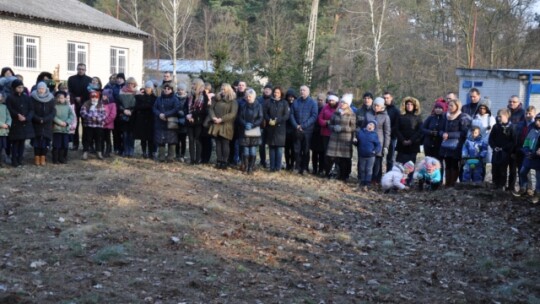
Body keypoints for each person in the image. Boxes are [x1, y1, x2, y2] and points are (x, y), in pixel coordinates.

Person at [439, 99, 471, 187]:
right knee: (447, 164)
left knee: (454, 164)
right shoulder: (446, 116)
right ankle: (447, 183)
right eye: (448, 105)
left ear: (457, 106)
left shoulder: (462, 117)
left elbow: (464, 132)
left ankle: (453, 184)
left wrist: (449, 135)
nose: (449, 107)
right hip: (445, 145)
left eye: (452, 105)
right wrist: (442, 134)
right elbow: (441, 129)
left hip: (456, 145)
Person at [326, 94, 356, 181]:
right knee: (331, 157)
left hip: (345, 139)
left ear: (348, 104)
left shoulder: (352, 114)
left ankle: (344, 175)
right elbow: (330, 124)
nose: (342, 104)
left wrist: (342, 128)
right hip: (334, 138)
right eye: (341, 102)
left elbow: (353, 127)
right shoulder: (336, 112)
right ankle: (331, 173)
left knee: (344, 159)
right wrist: (333, 127)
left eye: (344, 103)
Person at [208, 83, 238, 169]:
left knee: (225, 143)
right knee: (218, 142)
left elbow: (233, 114)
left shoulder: (233, 101)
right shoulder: (216, 99)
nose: (222, 91)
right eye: (221, 89)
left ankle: (224, 162)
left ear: (229, 90)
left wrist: (221, 119)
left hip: (226, 124)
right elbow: (210, 109)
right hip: (216, 123)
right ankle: (219, 160)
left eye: (224, 89)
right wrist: (213, 117)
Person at [289, 85, 318, 175]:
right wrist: (296, 125)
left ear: (308, 92)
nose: (302, 92)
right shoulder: (295, 102)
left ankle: (305, 168)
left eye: (304, 90)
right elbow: (291, 115)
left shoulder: (313, 103)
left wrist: (304, 125)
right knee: (297, 149)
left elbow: (314, 116)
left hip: (307, 130)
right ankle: (297, 167)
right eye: (301, 90)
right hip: (297, 129)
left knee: (305, 150)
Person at [395, 97, 423, 184]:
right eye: (407, 104)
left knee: (410, 164)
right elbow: (396, 129)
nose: (409, 106)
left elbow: (420, 131)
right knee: (400, 163)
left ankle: (409, 180)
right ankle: (399, 180)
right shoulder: (400, 116)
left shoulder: (418, 117)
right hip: (401, 143)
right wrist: (403, 140)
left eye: (411, 104)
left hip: (413, 144)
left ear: (415, 106)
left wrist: (411, 140)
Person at [6, 79, 34, 167]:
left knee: (22, 142)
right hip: (15, 123)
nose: (21, 89)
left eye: (22, 87)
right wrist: (17, 115)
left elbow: (31, 109)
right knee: (15, 143)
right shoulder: (10, 97)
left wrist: (27, 118)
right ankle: (14, 160)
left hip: (25, 123)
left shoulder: (26, 97)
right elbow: (9, 109)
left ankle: (20, 159)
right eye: (19, 87)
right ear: (14, 88)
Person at [514, 113, 540, 203]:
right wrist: (526, 151)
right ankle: (523, 188)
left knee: (538, 177)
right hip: (529, 156)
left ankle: (537, 194)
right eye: (537, 120)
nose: (538, 122)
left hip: (538, 158)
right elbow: (526, 142)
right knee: (522, 172)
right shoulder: (532, 130)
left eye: (539, 121)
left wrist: (536, 154)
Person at [153, 82, 180, 162]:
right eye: (165, 88)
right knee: (160, 140)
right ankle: (161, 156)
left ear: (172, 90)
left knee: (172, 140)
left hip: (171, 121)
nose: (166, 90)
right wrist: (159, 114)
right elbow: (154, 108)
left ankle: (170, 157)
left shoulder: (175, 99)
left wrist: (166, 114)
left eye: (168, 89)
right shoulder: (159, 98)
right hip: (160, 121)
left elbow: (176, 109)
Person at [264, 86, 290, 172]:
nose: (276, 94)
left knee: (279, 148)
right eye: (275, 92)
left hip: (280, 129)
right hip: (270, 128)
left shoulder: (285, 103)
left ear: (281, 93)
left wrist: (277, 121)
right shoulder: (268, 102)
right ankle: (272, 167)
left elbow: (286, 115)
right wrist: (269, 120)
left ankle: (278, 167)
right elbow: (265, 113)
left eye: (278, 92)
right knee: (271, 148)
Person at [488, 108, 515, 190]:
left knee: (502, 170)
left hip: (505, 152)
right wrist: (494, 147)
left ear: (506, 116)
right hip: (496, 151)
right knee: (494, 168)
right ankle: (494, 183)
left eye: (500, 116)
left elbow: (513, 141)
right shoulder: (496, 127)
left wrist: (504, 148)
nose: (499, 118)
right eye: (498, 116)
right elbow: (491, 139)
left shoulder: (511, 127)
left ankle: (501, 185)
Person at [67, 63, 92, 150]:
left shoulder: (89, 80)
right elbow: (70, 91)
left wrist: (82, 98)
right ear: (77, 69)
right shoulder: (71, 79)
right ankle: (75, 144)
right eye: (79, 69)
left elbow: (90, 93)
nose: (81, 70)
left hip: (85, 105)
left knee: (86, 125)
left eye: (82, 69)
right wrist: (75, 97)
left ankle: (86, 144)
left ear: (85, 70)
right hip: (75, 105)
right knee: (75, 124)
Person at [238, 88, 263, 174]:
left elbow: (260, 117)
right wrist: (245, 124)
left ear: (254, 97)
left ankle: (251, 168)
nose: (248, 98)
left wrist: (253, 124)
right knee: (245, 150)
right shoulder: (243, 106)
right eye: (247, 96)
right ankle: (245, 167)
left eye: (250, 96)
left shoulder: (259, 105)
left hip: (254, 130)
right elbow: (240, 117)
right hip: (244, 130)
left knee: (252, 150)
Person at [30, 82, 56, 166]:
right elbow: (31, 111)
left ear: (46, 89)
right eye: (39, 88)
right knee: (36, 143)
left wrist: (45, 119)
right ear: (37, 89)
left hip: (47, 124)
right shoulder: (33, 98)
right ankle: (37, 157)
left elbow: (53, 111)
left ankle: (43, 157)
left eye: (43, 89)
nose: (41, 90)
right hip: (36, 124)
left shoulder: (51, 98)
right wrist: (38, 119)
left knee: (45, 142)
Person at [368, 97, 391, 183]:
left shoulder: (385, 117)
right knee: (369, 161)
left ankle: (377, 179)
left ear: (382, 107)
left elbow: (387, 133)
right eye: (374, 105)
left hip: (379, 143)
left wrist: (386, 146)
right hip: (368, 142)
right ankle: (368, 178)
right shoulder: (368, 114)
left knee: (377, 162)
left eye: (378, 106)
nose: (375, 107)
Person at [186, 78, 208, 165]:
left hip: (198, 121)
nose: (192, 85)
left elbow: (203, 110)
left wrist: (193, 115)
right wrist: (187, 115)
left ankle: (198, 159)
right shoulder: (190, 95)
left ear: (198, 85)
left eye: (194, 84)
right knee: (191, 140)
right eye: (192, 84)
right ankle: (192, 159)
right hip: (189, 121)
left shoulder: (204, 96)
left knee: (197, 140)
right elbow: (186, 107)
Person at [421, 99, 446, 177]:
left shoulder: (445, 119)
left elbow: (445, 130)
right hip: (428, 143)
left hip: (439, 144)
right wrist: (430, 132)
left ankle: (439, 179)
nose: (438, 110)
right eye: (436, 108)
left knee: (438, 162)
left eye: (440, 108)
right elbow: (422, 128)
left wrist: (439, 133)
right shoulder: (430, 118)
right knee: (428, 161)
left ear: (443, 109)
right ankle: (428, 178)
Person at [507, 95, 527, 192]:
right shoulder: (507, 112)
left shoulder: (523, 113)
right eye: (510, 101)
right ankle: (511, 188)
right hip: (509, 144)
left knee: (521, 169)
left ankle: (524, 188)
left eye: (514, 102)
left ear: (519, 103)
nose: (512, 103)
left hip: (519, 145)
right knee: (511, 169)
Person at [80, 91, 106, 160]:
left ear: (98, 98)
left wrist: (97, 118)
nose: (94, 99)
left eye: (96, 97)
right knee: (87, 139)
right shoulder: (86, 104)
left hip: (98, 125)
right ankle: (85, 152)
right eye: (93, 97)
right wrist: (91, 117)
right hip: (89, 125)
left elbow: (103, 115)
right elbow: (83, 113)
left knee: (98, 139)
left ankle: (99, 152)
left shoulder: (101, 105)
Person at [134, 81, 156, 159]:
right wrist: (146, 106)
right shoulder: (140, 96)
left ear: (152, 88)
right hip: (142, 119)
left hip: (151, 119)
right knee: (143, 138)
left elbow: (153, 107)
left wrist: (144, 106)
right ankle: (144, 152)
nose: (147, 89)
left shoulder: (155, 98)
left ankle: (151, 153)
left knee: (150, 138)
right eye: (146, 87)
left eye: (149, 87)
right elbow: (137, 106)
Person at [117, 77, 138, 157]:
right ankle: (126, 151)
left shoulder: (137, 92)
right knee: (125, 134)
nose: (130, 85)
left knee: (131, 135)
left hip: (133, 116)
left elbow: (138, 104)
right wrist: (123, 110)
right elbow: (118, 103)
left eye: (132, 83)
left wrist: (132, 111)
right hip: (123, 115)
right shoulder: (121, 91)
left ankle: (131, 151)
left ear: (134, 84)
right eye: (128, 83)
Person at [318, 94, 339, 176]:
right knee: (326, 153)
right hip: (325, 133)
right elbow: (320, 118)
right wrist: (326, 122)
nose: (331, 102)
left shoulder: (339, 108)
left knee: (333, 154)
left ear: (336, 101)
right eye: (330, 100)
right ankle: (326, 170)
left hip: (335, 134)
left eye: (332, 100)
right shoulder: (325, 107)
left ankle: (334, 170)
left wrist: (332, 124)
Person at [356, 119, 381, 186]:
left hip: (371, 155)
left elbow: (378, 145)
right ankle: (362, 180)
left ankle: (368, 181)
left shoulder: (374, 135)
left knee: (369, 169)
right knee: (362, 168)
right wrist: (355, 141)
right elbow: (357, 142)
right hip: (362, 154)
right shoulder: (361, 132)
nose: (370, 126)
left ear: (374, 128)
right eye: (369, 124)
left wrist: (375, 151)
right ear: (367, 125)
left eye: (372, 126)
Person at [52, 91, 74, 164]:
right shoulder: (54, 106)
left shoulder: (68, 107)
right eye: (59, 98)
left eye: (62, 98)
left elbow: (71, 116)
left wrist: (67, 122)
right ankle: (55, 159)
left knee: (64, 144)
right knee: (56, 144)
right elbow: (53, 116)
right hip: (57, 128)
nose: (60, 99)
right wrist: (59, 122)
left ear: (65, 98)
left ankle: (62, 158)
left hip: (65, 128)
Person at [257, 83, 273, 168]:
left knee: (271, 145)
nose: (267, 90)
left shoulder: (273, 100)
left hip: (270, 125)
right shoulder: (259, 99)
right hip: (261, 125)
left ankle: (272, 162)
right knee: (261, 144)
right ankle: (262, 161)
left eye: (269, 89)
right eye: (265, 89)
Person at [383, 91, 400, 172]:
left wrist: (388, 132)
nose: (386, 100)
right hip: (380, 136)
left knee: (390, 158)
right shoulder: (381, 108)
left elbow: (397, 125)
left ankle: (389, 174)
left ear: (391, 98)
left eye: (387, 98)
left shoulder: (395, 110)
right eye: (384, 98)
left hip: (392, 137)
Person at [311, 93, 326, 175]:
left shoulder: (325, 109)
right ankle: (314, 169)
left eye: (321, 100)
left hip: (322, 133)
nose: (319, 101)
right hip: (314, 133)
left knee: (322, 153)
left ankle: (321, 169)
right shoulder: (314, 107)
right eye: (318, 100)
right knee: (314, 153)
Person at [175, 82, 189, 162]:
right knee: (176, 140)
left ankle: (182, 154)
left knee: (183, 140)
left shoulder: (188, 98)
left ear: (185, 90)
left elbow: (188, 108)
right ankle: (177, 154)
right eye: (179, 90)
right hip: (176, 121)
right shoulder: (175, 97)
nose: (180, 91)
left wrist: (184, 113)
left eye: (182, 90)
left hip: (184, 121)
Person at [101, 89, 117, 158]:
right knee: (101, 138)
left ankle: (108, 151)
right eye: (103, 95)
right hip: (101, 124)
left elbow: (113, 115)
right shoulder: (100, 103)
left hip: (108, 125)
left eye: (105, 95)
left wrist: (106, 121)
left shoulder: (112, 104)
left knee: (107, 138)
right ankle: (101, 150)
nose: (103, 96)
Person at [284, 89, 297, 170]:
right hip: (285, 129)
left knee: (293, 148)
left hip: (294, 129)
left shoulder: (296, 104)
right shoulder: (285, 104)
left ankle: (292, 163)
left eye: (292, 97)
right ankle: (287, 164)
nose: (290, 98)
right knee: (286, 149)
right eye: (289, 96)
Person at [0, 92, 11, 166]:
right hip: (1, 127)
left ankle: (1, 160)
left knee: (2, 147)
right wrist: (1, 124)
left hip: (4, 131)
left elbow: (9, 116)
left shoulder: (4, 107)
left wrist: (8, 124)